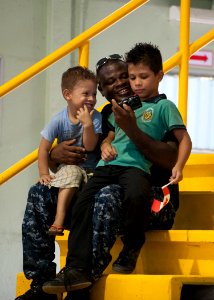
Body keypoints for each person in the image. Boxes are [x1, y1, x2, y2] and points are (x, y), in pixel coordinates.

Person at [16, 55, 178, 300]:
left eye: (126, 76)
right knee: (39, 194)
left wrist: (132, 129)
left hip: (149, 202)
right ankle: (41, 284)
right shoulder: (104, 115)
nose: (122, 83)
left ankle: (84, 279)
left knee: (107, 193)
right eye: (111, 82)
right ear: (102, 91)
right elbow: (85, 153)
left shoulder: (159, 109)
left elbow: (171, 158)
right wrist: (53, 156)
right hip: (103, 199)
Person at [38, 66, 101, 236]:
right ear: (68, 95)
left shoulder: (95, 117)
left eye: (94, 94)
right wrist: (44, 173)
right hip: (68, 170)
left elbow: (90, 146)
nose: (91, 98)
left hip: (91, 171)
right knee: (73, 172)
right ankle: (59, 220)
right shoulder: (59, 120)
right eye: (85, 94)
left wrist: (87, 125)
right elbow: (43, 149)